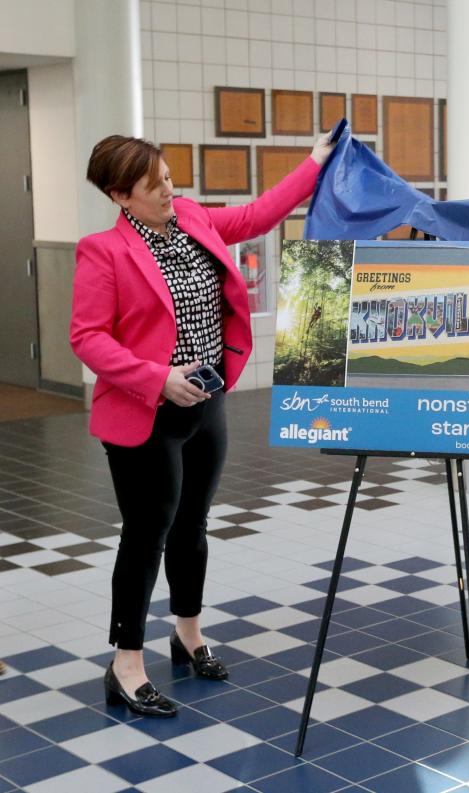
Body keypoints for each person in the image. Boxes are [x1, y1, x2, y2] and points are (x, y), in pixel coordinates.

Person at [70, 132, 336, 717]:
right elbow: (86, 337)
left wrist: (315, 162)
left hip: (206, 406)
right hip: (147, 414)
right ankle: (126, 664)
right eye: (154, 185)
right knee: (146, 535)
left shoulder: (191, 218)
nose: (169, 190)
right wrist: (156, 376)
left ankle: (188, 634)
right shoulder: (102, 251)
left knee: (193, 523)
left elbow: (259, 214)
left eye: (168, 176)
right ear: (120, 196)